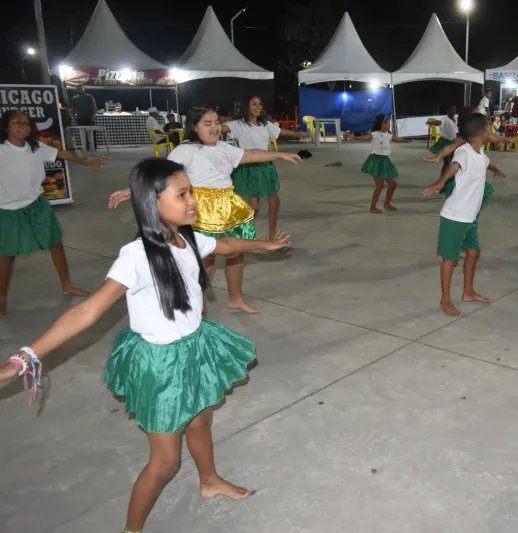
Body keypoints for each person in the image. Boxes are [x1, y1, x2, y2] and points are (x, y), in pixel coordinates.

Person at [0, 158, 293, 533]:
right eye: (183, 194)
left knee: (201, 417)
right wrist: (26, 357)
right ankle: (131, 529)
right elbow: (87, 312)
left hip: (194, 346)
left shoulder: (186, 236)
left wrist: (263, 244)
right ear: (152, 203)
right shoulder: (136, 256)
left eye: (192, 192)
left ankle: (209, 481)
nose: (193, 201)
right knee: (165, 463)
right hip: (160, 364)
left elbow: (223, 244)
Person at [108, 106, 302, 315]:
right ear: (194, 127)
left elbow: (250, 154)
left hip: (228, 206)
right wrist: (132, 191)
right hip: (202, 209)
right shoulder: (186, 149)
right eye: (207, 124)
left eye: (217, 123)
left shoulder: (223, 148)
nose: (215, 128)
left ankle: (235, 298)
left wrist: (280, 154)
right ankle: (194, 307)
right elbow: (164, 175)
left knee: (236, 253)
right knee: (205, 259)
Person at [0, 110, 103, 318]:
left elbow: (64, 154)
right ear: (5, 127)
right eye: (16, 122)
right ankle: (1, 301)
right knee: (5, 257)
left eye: (27, 123)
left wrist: (85, 163)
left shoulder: (36, 148)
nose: (23, 126)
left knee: (55, 244)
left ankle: (67, 285)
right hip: (8, 210)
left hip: (37, 205)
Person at [423, 113, 505, 317]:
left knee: (473, 253)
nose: (490, 134)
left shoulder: (480, 152)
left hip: (470, 217)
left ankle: (468, 292)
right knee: (449, 260)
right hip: (455, 217)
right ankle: (445, 300)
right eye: (489, 131)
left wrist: (497, 169)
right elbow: (454, 166)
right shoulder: (464, 152)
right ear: (484, 133)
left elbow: (486, 163)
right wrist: (441, 181)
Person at [222, 96, 309, 239]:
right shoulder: (238, 125)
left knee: (273, 201)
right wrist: (210, 125)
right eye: (254, 104)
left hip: (266, 166)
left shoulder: (265, 124)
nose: (258, 107)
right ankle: (242, 234)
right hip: (250, 167)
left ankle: (270, 235)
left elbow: (281, 132)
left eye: (260, 104)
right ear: (246, 107)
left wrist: (301, 134)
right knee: (255, 207)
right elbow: (222, 129)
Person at [346, 114, 411, 214]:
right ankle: (373, 207)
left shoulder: (388, 135)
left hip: (385, 161)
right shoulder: (375, 134)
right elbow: (366, 137)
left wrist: (406, 140)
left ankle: (387, 204)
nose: (389, 124)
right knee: (380, 185)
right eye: (388, 122)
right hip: (376, 161)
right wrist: (355, 137)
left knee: (392, 184)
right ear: (382, 123)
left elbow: (396, 139)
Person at [71, 85, 97, 152]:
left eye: (81, 88)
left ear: (83, 89)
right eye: (78, 88)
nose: (79, 89)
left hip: (89, 118)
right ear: (77, 90)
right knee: (82, 135)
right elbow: (73, 109)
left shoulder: (89, 97)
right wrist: (74, 118)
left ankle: (93, 149)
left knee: (90, 134)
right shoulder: (75, 98)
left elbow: (94, 106)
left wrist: (93, 116)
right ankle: (85, 149)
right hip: (80, 118)